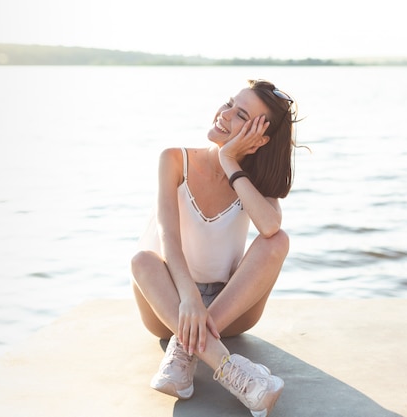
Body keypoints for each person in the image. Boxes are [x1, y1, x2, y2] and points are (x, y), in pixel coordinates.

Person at [131, 79, 298, 417]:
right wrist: (190, 297)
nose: (223, 115)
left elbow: (270, 227)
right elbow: (168, 237)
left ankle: (185, 350)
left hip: (229, 309)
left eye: (239, 115)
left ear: (260, 139)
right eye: (228, 103)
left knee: (277, 241)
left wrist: (229, 161)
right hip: (170, 305)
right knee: (142, 261)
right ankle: (236, 376)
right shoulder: (175, 159)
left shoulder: (253, 181)